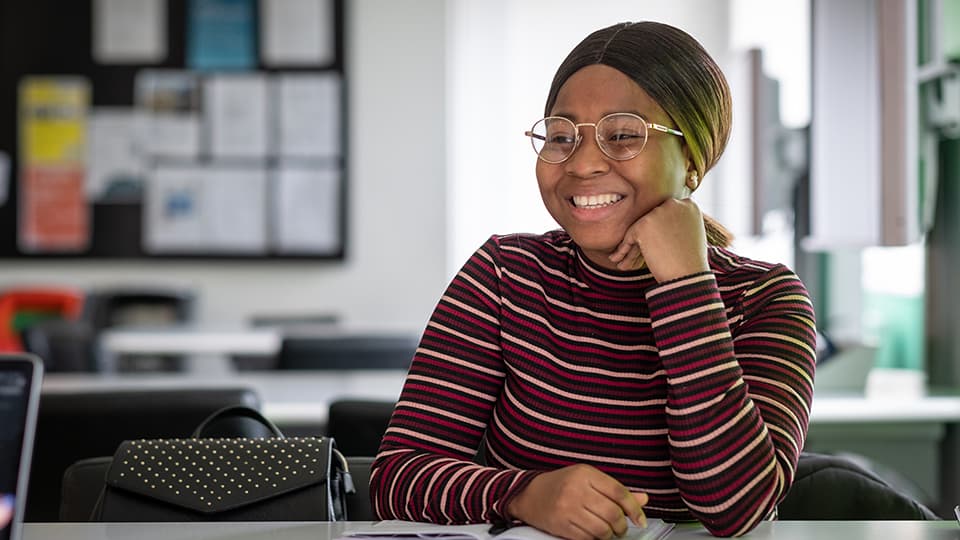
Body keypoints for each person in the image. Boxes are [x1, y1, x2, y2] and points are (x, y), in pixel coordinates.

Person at [370, 21, 816, 539]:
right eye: (561, 136)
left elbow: (735, 507)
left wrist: (686, 284)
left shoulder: (766, 299)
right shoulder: (505, 275)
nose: (581, 164)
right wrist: (522, 495)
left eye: (623, 135)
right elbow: (397, 476)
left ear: (692, 157)